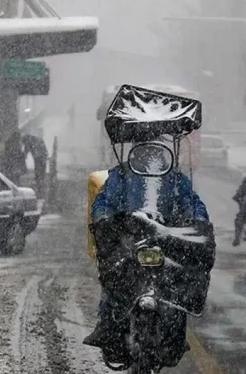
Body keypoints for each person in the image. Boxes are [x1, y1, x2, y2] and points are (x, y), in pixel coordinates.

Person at [83, 141, 213, 351]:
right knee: (113, 276)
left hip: (165, 237)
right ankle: (107, 326)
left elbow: (192, 203)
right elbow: (103, 201)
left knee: (178, 283)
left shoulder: (174, 177)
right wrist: (103, 217)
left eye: (152, 151)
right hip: (129, 237)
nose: (148, 155)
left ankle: (175, 333)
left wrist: (197, 220)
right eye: (145, 150)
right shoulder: (121, 175)